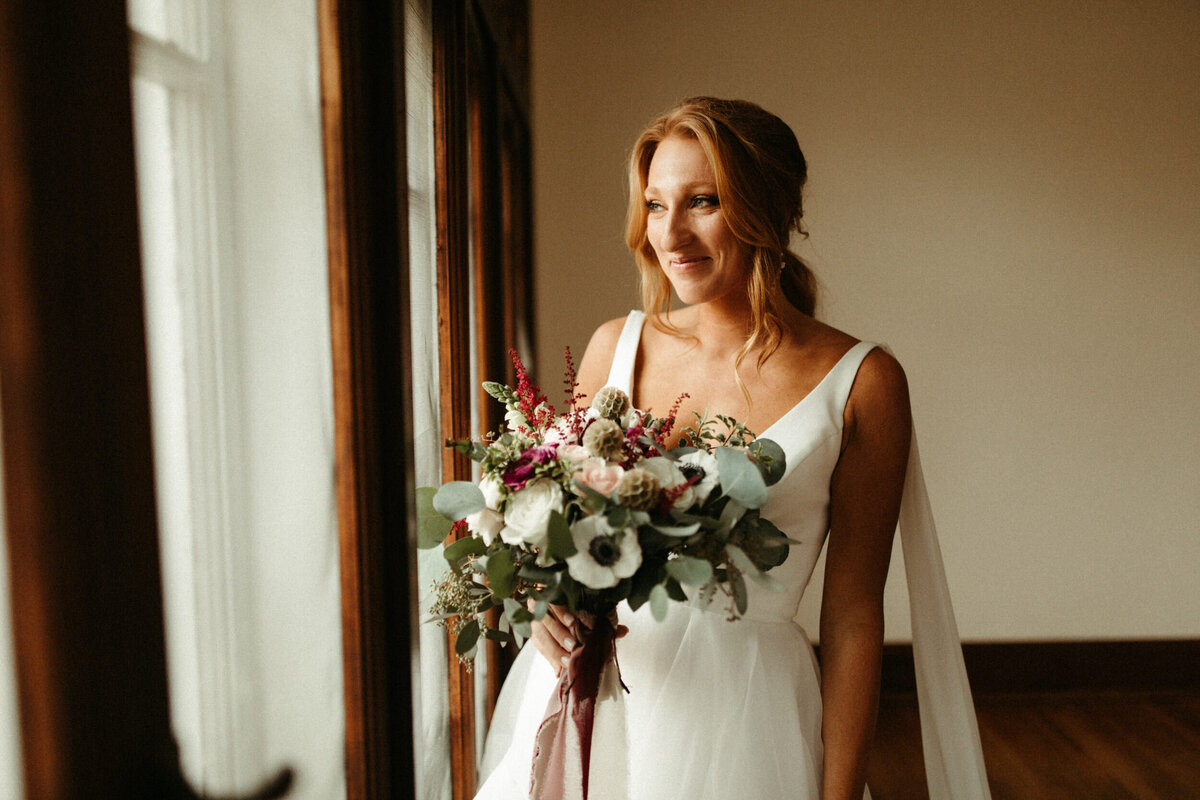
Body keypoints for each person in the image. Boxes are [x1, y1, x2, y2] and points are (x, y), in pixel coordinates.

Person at [475, 97, 990, 800]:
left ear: (767, 211)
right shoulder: (613, 349)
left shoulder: (863, 383)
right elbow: (562, 536)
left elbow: (852, 615)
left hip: (745, 719)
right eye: (655, 205)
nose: (671, 233)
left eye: (702, 202)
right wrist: (544, 604)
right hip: (597, 697)